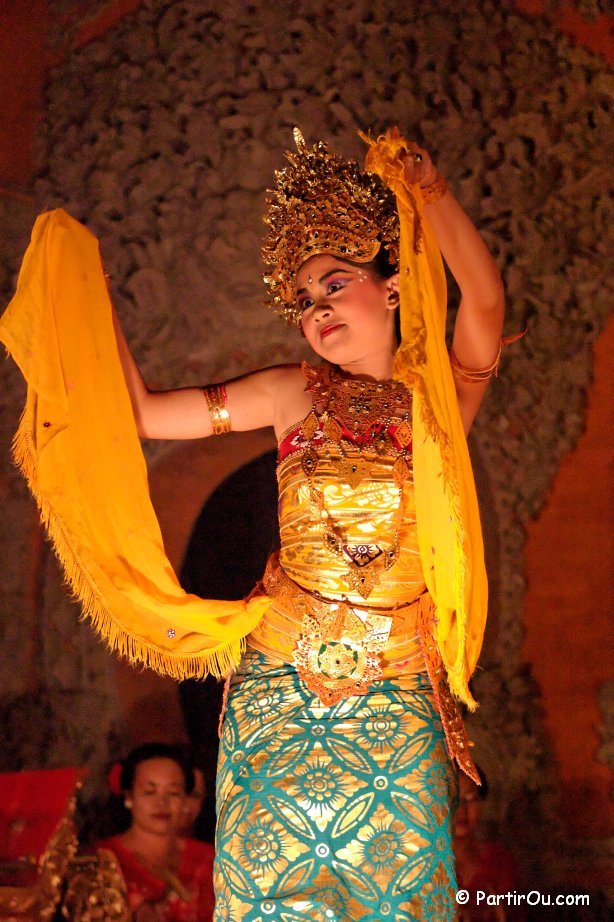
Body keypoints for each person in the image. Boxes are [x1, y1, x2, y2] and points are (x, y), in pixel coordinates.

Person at [1, 127, 508, 919]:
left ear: (394, 288)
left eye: (335, 284)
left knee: (398, 899)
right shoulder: (287, 393)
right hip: (281, 685)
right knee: (273, 900)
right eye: (304, 301)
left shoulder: (438, 400)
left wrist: (428, 190)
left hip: (399, 690)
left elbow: (484, 301)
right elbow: (143, 414)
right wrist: (92, 298)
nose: (319, 310)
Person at [66, 743, 215, 921]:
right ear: (129, 797)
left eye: (173, 793)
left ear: (185, 799)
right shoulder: (98, 860)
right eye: (149, 792)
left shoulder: (208, 859)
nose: (162, 803)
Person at [453, 768, 524, 921]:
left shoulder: (498, 861)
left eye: (471, 798)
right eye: (453, 799)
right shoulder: (423, 864)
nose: (462, 810)